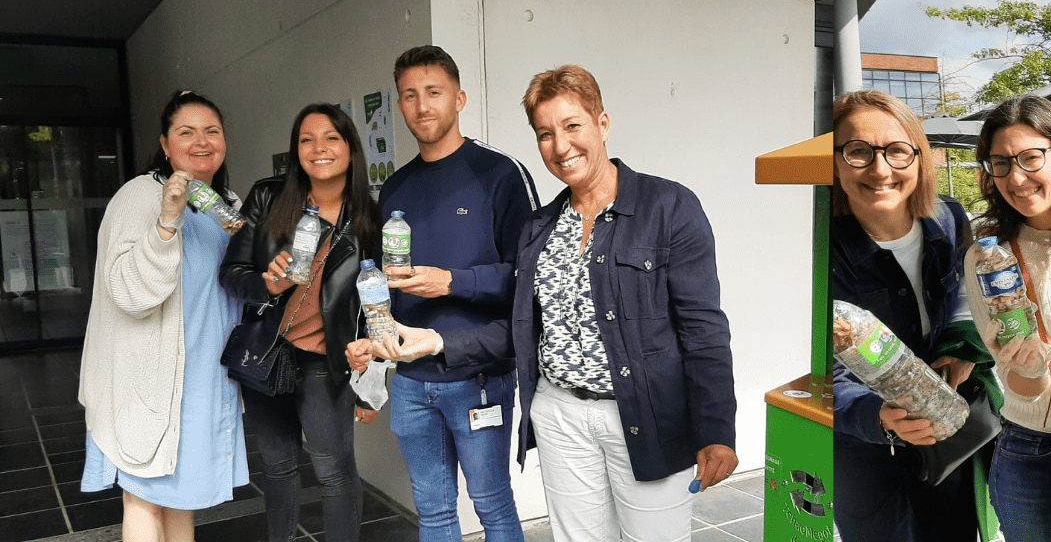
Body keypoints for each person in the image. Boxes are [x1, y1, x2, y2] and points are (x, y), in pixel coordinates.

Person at [376, 65, 738, 542]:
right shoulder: (540, 227)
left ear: (602, 124)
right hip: (560, 416)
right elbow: (524, 330)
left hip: (648, 417)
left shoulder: (667, 207)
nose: (560, 146)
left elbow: (703, 329)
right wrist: (439, 341)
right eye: (545, 134)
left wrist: (716, 428)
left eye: (572, 126)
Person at [813, 89, 990, 540]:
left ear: (919, 157)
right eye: (858, 151)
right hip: (867, 452)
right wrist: (876, 415)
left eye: (896, 151)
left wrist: (962, 351)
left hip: (950, 430)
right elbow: (817, 366)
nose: (879, 169)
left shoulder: (950, 220)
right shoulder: (820, 249)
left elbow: (970, 306)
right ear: (834, 160)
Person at [374, 45, 534, 542]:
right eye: (409, 96)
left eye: (434, 92)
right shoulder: (395, 188)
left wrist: (451, 280)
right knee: (434, 511)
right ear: (399, 105)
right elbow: (387, 285)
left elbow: (528, 281)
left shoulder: (500, 174)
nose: (422, 106)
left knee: (491, 505)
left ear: (459, 98)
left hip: (478, 376)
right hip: (410, 381)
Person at [77, 91, 248, 542]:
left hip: (204, 378)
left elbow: (238, 284)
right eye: (186, 132)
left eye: (212, 130)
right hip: (150, 379)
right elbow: (130, 293)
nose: (202, 141)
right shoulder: (140, 196)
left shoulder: (221, 201)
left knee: (179, 498)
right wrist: (166, 223)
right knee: (144, 498)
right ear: (165, 144)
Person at [221, 103, 386, 542]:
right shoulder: (267, 197)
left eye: (332, 138)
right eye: (306, 140)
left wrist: (372, 386)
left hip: (325, 364)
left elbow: (377, 308)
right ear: (296, 151)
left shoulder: (370, 220)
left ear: (351, 148)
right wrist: (267, 284)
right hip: (266, 354)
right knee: (276, 471)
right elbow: (231, 273)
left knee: (334, 473)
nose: (319, 149)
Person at [963, 94, 1051, 542]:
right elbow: (1015, 382)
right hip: (1031, 449)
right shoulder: (990, 258)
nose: (1017, 177)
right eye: (1001, 164)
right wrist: (1030, 370)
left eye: (1031, 158)